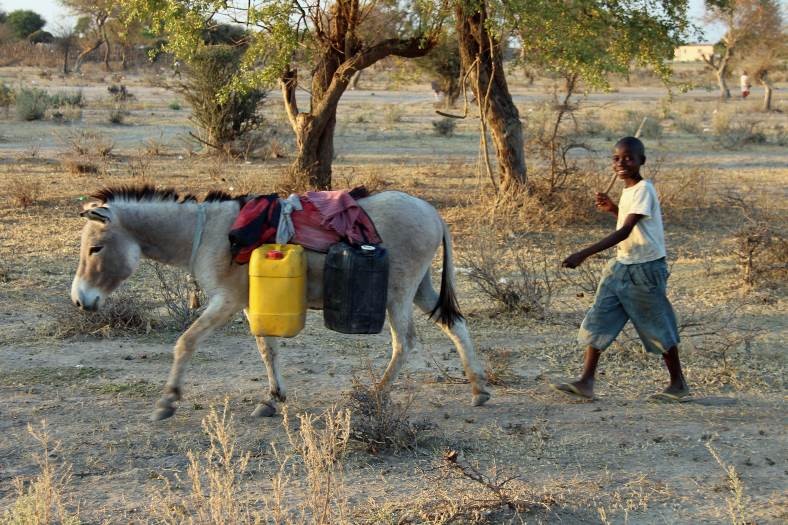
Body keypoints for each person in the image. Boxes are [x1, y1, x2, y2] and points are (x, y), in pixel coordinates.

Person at [553, 137, 689, 402]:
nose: (621, 163)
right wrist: (613, 209)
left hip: (645, 270)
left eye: (628, 158)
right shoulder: (629, 192)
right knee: (600, 317)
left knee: (658, 326)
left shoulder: (644, 189)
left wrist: (584, 253)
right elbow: (630, 224)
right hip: (622, 265)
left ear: (642, 161)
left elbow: (626, 230)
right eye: (616, 158)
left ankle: (678, 384)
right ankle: (586, 381)